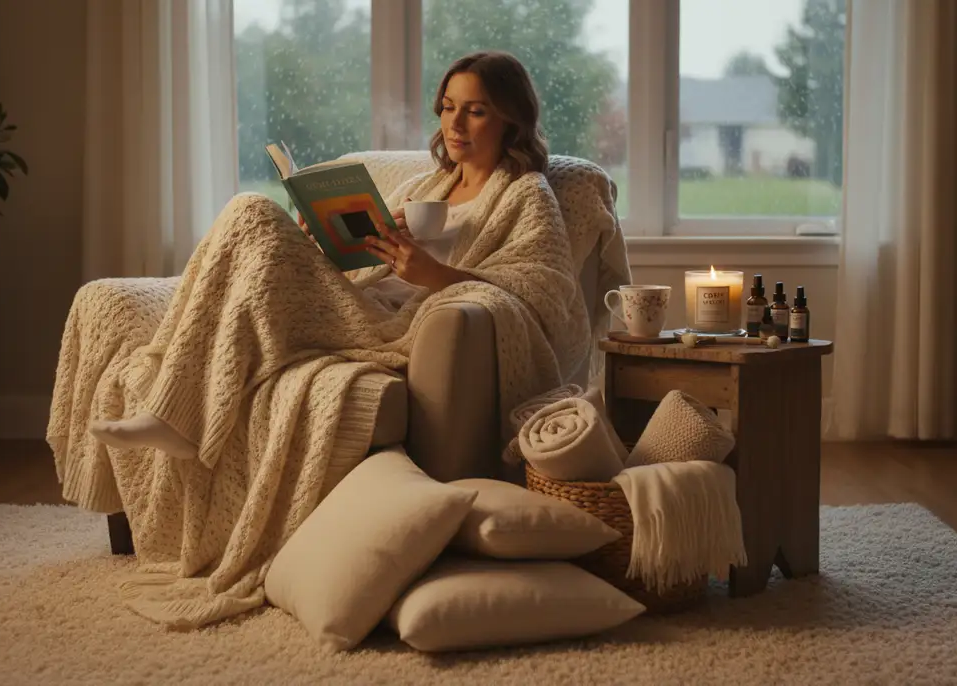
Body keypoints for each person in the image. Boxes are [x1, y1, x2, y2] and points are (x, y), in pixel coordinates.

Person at [87, 50, 587, 460]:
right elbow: (361, 263)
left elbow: (547, 292)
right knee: (252, 213)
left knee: (252, 210)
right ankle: (173, 405)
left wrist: (438, 275)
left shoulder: (526, 193)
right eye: (448, 105)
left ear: (509, 119)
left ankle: (173, 411)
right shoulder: (423, 185)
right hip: (359, 300)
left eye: (475, 110)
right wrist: (319, 239)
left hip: (401, 327)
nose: (455, 123)